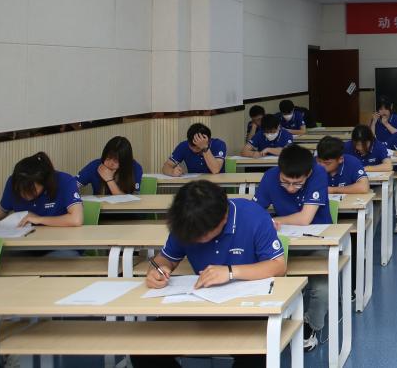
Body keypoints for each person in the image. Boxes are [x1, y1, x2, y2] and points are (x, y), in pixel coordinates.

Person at [135, 181, 287, 368]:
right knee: (143, 348)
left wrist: (231, 272)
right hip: (201, 305)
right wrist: (158, 271)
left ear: (224, 218)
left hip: (250, 309)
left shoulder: (253, 216)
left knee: (258, 354)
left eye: (201, 235)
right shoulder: (186, 221)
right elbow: (165, 259)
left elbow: (278, 266)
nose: (196, 239)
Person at [253, 144, 331, 351]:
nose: (290, 188)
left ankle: (310, 325)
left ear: (308, 174)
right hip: (281, 243)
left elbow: (305, 219)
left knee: (321, 288)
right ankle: (271, 321)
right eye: (285, 182)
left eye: (297, 183)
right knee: (265, 280)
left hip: (317, 240)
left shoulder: (318, 173)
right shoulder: (270, 177)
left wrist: (272, 220)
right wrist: (264, 221)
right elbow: (254, 212)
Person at [0, 152, 83, 229]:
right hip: (24, 241)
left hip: (60, 240)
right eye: (20, 190)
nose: (24, 194)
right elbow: (3, 209)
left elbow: (76, 219)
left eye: (31, 190)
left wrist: (39, 219)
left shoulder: (65, 181)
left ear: (44, 182)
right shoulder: (13, 182)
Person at [76, 136, 143, 195]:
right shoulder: (95, 165)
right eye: (108, 158)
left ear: (125, 161)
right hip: (101, 205)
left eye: (116, 160)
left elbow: (135, 198)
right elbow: (74, 185)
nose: (111, 163)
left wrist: (109, 180)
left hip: (126, 206)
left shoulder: (135, 168)